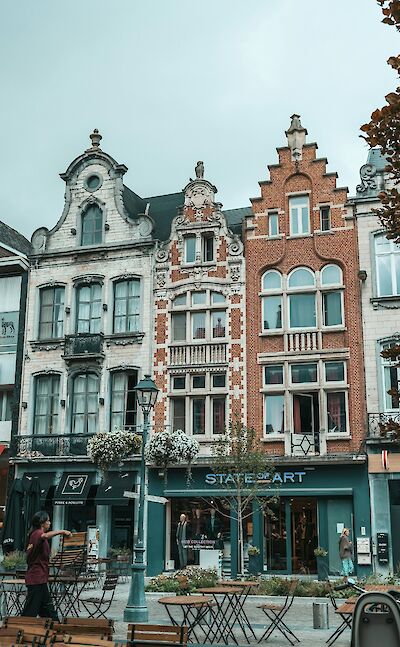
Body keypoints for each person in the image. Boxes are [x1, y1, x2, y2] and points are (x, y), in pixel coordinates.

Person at [21, 510, 71, 620]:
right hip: (36, 578)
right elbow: (45, 536)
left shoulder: (34, 535)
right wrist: (62, 531)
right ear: (42, 522)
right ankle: (20, 628)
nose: (50, 522)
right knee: (30, 611)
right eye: (48, 520)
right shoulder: (37, 534)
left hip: (40, 578)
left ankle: (54, 626)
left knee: (47, 608)